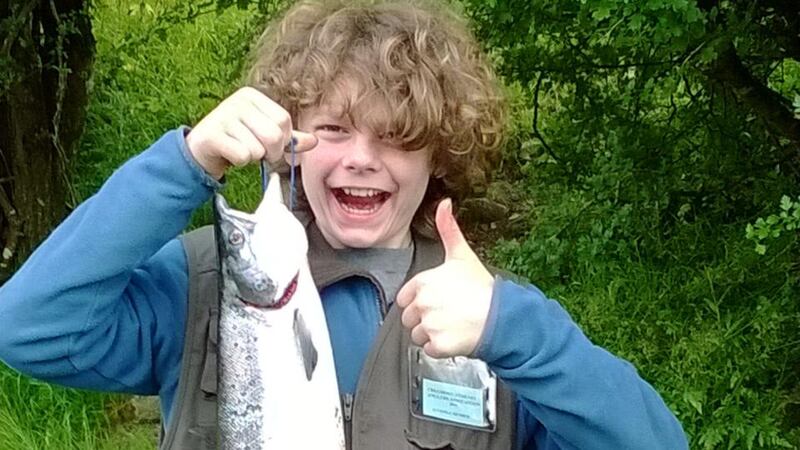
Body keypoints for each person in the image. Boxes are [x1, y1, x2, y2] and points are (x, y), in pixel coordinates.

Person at [0, 0, 688, 448]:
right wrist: (184, 164)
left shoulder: (489, 318)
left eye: (395, 136)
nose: (362, 159)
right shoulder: (204, 281)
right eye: (332, 127)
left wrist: (515, 331)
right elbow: (26, 327)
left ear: (438, 153)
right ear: (288, 135)